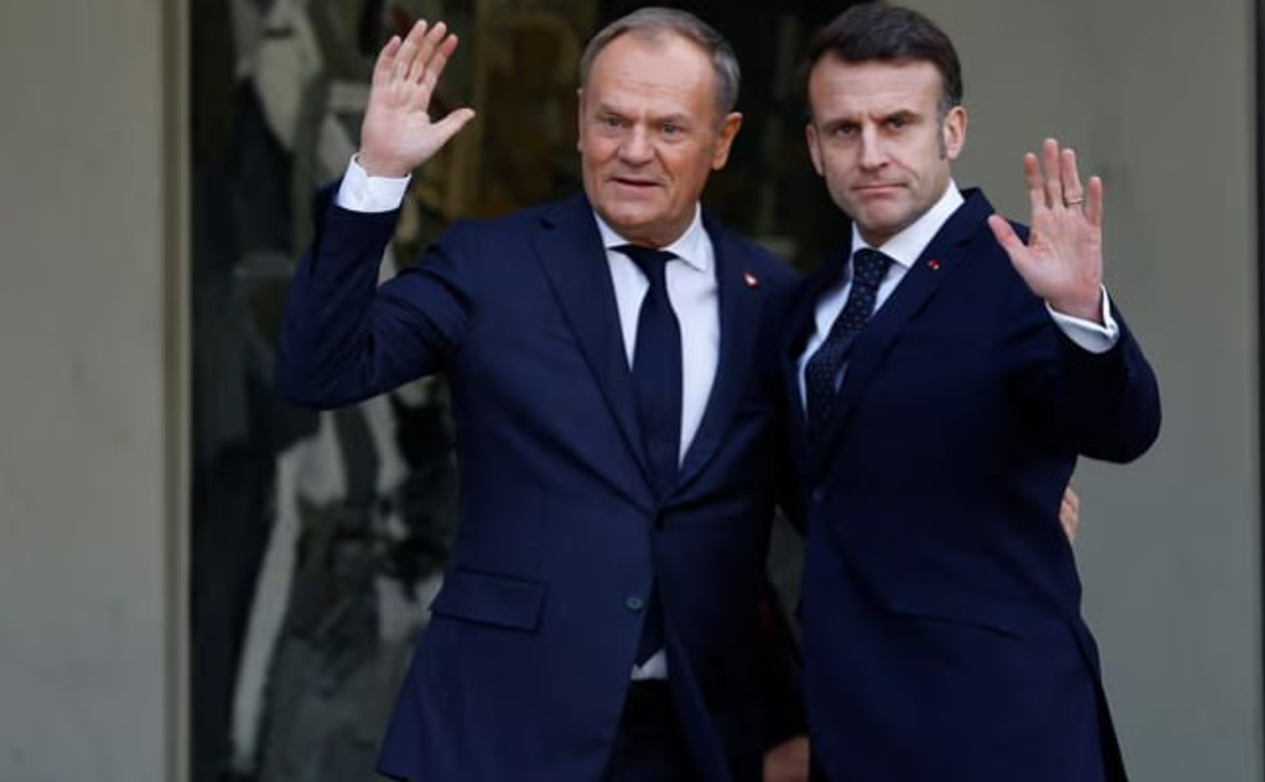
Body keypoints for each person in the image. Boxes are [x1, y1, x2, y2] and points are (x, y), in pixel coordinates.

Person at [274, 8, 806, 782]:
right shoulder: (489, 265)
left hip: (696, 737)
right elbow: (318, 371)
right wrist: (377, 176)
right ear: (580, 120)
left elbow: (837, 509)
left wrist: (817, 720)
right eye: (612, 120)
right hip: (503, 726)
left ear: (721, 141)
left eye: (668, 128)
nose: (633, 150)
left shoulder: (775, 300)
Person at [787, 4, 1161, 781]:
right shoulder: (805, 304)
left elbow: (1120, 427)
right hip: (851, 728)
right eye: (844, 130)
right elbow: (815, 484)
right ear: (813, 149)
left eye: (897, 124)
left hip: (998, 730)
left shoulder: (1022, 273)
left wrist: (1079, 313)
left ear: (951, 132)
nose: (870, 154)